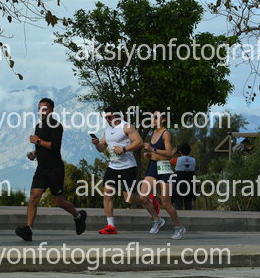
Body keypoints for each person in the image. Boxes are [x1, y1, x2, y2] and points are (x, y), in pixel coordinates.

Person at [15, 98, 87, 241]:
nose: (42, 111)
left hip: (55, 169)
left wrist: (38, 141)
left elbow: (55, 146)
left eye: (45, 108)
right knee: (33, 198)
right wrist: (34, 153)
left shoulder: (56, 126)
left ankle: (79, 216)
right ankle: (28, 230)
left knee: (58, 201)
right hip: (41, 168)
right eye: (40, 108)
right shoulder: (38, 126)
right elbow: (41, 146)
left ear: (52, 110)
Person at [90, 106, 160, 234]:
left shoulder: (127, 127)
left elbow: (139, 142)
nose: (107, 119)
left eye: (109, 117)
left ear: (116, 115)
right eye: (106, 118)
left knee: (129, 199)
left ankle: (149, 202)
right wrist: (96, 143)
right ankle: (111, 226)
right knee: (107, 193)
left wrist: (124, 149)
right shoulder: (108, 130)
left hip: (128, 167)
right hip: (113, 167)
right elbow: (101, 148)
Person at [140, 110, 186, 240]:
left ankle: (179, 227)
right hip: (153, 167)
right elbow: (156, 152)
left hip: (164, 168)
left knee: (166, 203)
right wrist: (149, 155)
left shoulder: (166, 133)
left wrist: (152, 149)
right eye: (152, 117)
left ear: (164, 119)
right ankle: (157, 219)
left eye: (156, 117)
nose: (153, 120)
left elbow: (169, 153)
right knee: (143, 197)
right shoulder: (153, 132)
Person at [172, 143, 196, 210]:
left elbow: (166, 161)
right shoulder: (193, 160)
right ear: (189, 151)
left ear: (180, 151)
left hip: (178, 188)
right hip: (189, 187)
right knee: (188, 207)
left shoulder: (176, 160)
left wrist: (173, 152)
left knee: (178, 207)